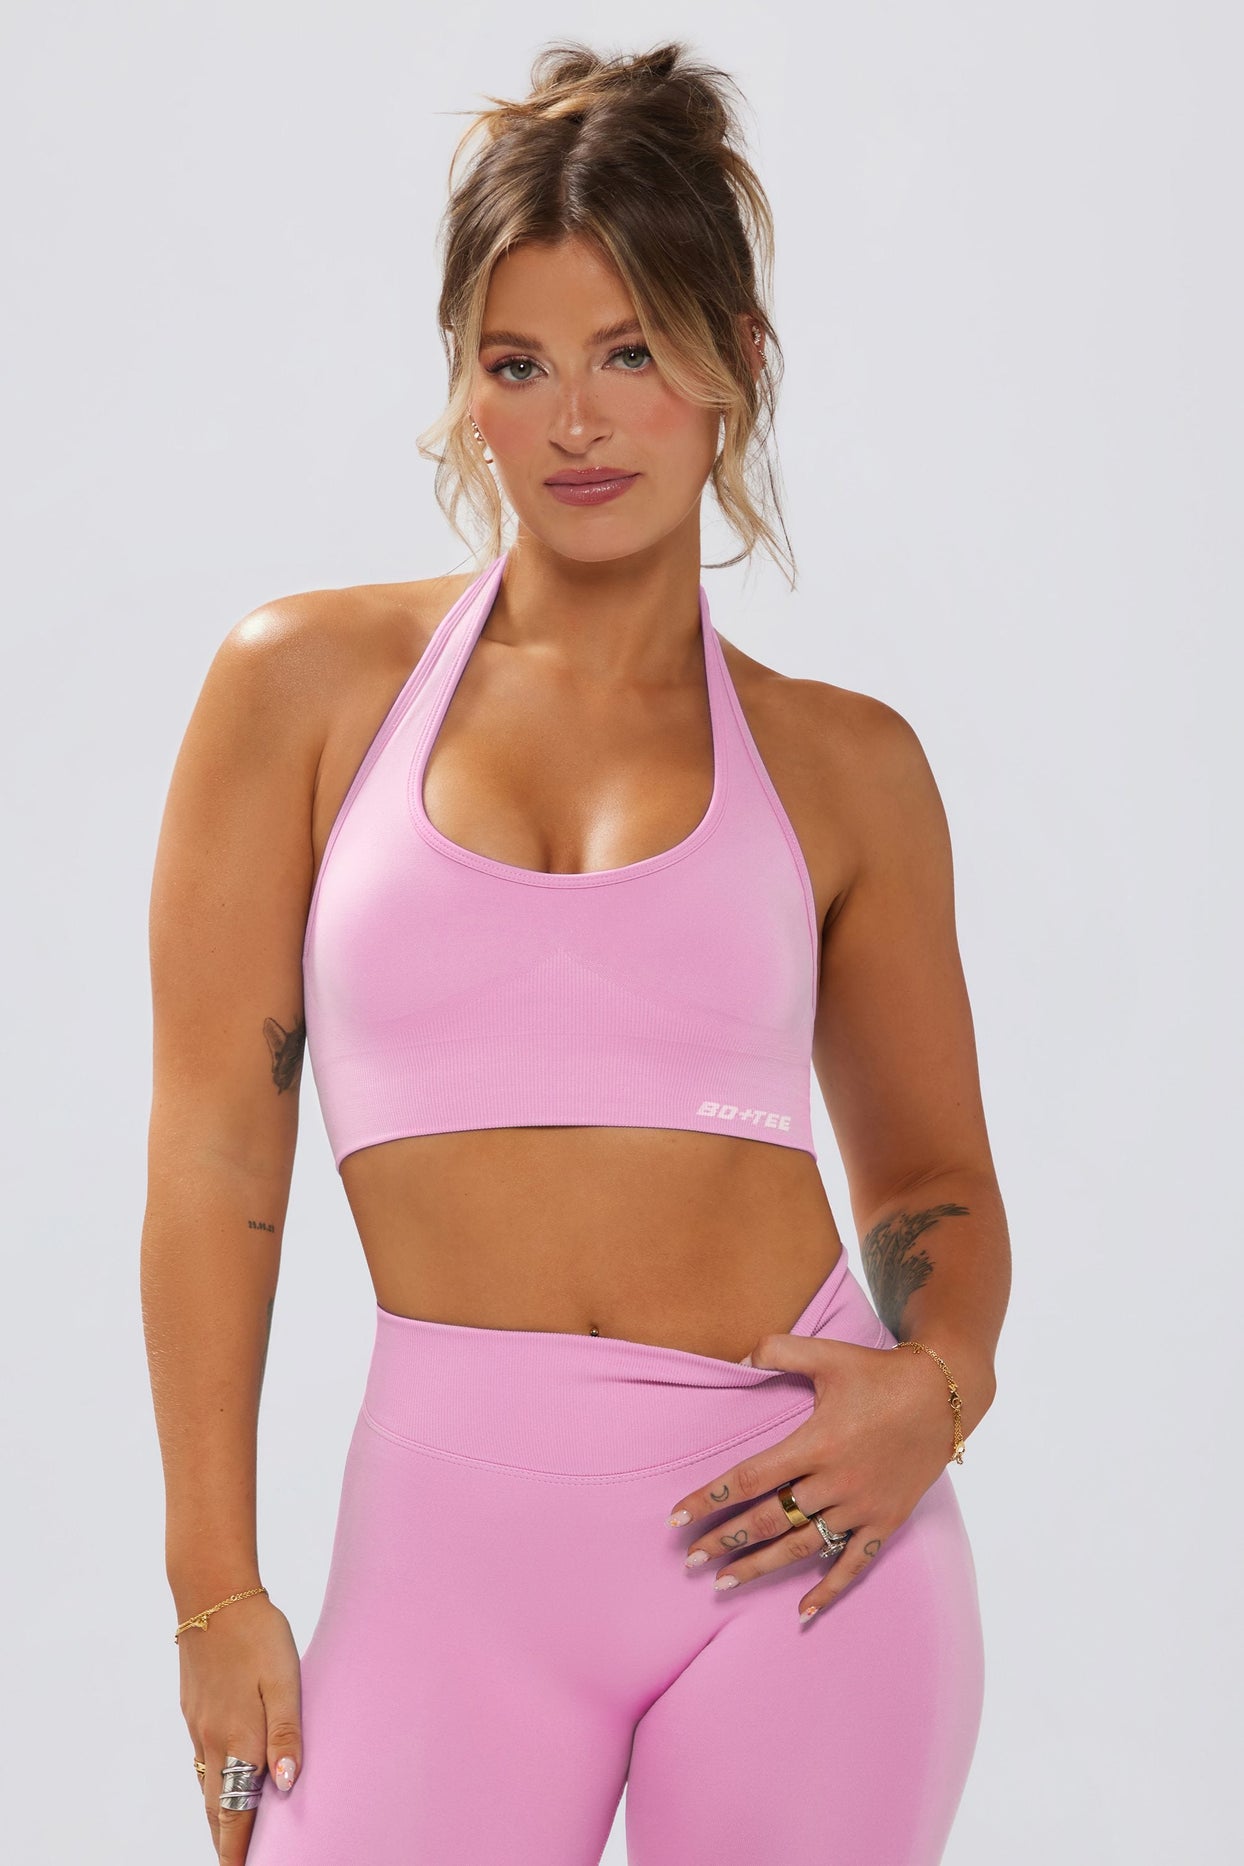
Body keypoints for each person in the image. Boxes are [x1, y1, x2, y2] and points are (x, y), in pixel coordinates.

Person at [142, 38, 1010, 1866]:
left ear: (733, 365)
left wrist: (936, 1394)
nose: (577, 423)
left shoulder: (848, 766)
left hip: (803, 1547)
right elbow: (217, 1145)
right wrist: (213, 1588)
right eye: (518, 362)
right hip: (450, 1549)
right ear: (466, 383)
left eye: (630, 353)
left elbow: (935, 1178)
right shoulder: (301, 692)